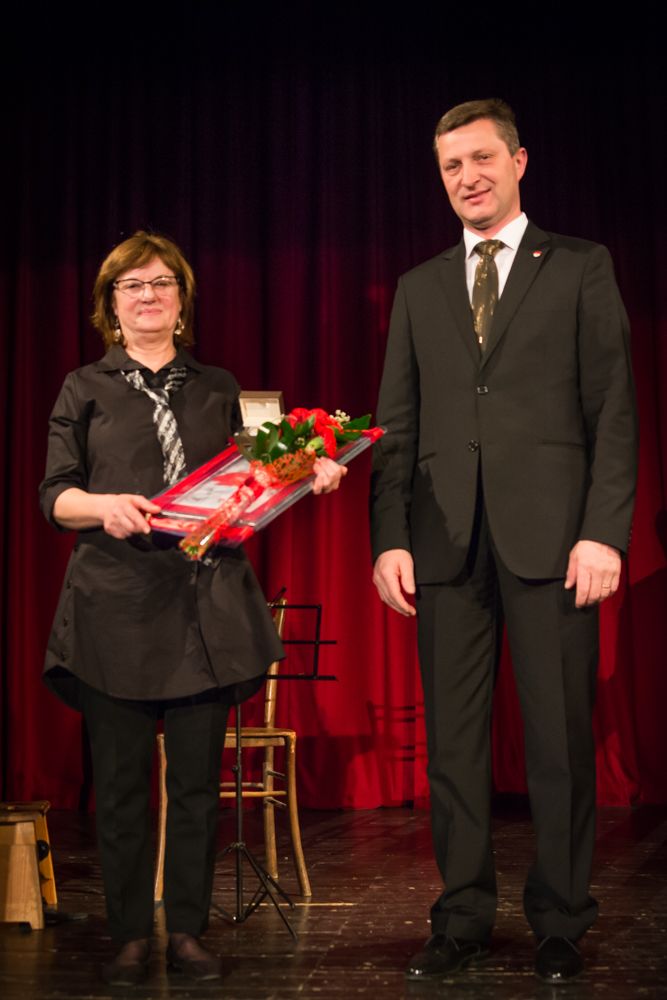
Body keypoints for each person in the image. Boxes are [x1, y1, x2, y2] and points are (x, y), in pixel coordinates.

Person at [370, 99, 637, 984]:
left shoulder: (580, 266)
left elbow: (613, 411)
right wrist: (388, 538)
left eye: (481, 158)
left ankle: (560, 919)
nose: (467, 178)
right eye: (451, 166)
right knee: (452, 747)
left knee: (558, 740)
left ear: (519, 162)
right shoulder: (419, 287)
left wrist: (602, 532)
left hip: (553, 541)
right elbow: (396, 426)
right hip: (444, 544)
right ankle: (460, 918)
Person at [40, 231, 346, 987]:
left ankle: (185, 931)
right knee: (120, 790)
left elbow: (265, 473)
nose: (148, 296)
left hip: (203, 609)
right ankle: (128, 936)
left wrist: (314, 468)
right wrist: (103, 506)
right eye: (131, 285)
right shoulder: (83, 387)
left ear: (182, 300)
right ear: (110, 305)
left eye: (161, 283)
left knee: (196, 789)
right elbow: (55, 496)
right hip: (113, 609)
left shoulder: (219, 386)